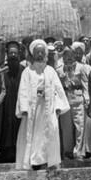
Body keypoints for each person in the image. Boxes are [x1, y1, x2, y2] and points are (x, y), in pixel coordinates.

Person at [15, 39, 69, 170]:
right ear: (33, 54)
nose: (39, 54)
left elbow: (58, 90)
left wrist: (58, 107)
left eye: (41, 52)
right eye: (37, 52)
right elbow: (22, 90)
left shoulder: (50, 71)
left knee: (49, 134)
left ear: (45, 54)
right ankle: (35, 161)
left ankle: (49, 161)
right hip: (33, 109)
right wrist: (24, 108)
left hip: (48, 108)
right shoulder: (27, 71)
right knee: (34, 136)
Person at [57, 47, 90, 159]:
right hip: (65, 100)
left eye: (70, 55)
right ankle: (68, 152)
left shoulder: (81, 68)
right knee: (66, 128)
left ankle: (79, 151)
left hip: (78, 99)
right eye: (66, 56)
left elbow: (85, 84)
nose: (69, 58)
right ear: (63, 57)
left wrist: (87, 98)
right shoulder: (59, 70)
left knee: (80, 126)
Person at [0, 42, 25, 163]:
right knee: (7, 126)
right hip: (6, 106)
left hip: (20, 105)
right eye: (11, 53)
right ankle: (7, 152)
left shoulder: (24, 71)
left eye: (15, 53)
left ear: (19, 54)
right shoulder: (3, 71)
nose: (13, 55)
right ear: (7, 55)